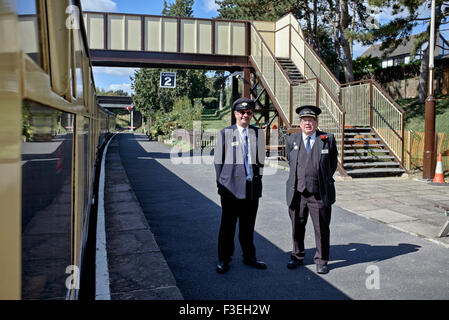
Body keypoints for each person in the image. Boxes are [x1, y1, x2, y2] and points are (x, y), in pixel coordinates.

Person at [214, 97, 266, 274]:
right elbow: (218, 162)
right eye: (242, 112)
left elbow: (260, 161)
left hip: (251, 189)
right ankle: (224, 259)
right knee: (227, 227)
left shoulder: (258, 134)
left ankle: (249, 257)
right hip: (231, 189)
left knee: (248, 226)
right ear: (235, 114)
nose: (245, 115)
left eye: (249, 112)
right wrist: (221, 185)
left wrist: (257, 179)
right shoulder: (225, 133)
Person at [285, 105, 338, 274]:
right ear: (300, 123)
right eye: (304, 120)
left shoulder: (326, 138)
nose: (308, 123)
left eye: (311, 120)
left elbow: (332, 164)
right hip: (298, 193)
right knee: (297, 227)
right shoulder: (291, 140)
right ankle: (297, 255)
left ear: (316, 122)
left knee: (321, 228)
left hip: (319, 194)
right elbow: (291, 162)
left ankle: (322, 260)